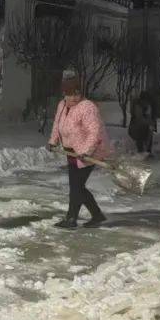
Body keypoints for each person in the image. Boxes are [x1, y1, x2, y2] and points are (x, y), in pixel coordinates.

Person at [48, 74, 111, 229]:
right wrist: (53, 141)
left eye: (77, 93)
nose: (75, 97)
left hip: (91, 151)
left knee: (76, 187)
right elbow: (57, 124)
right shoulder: (62, 105)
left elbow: (94, 132)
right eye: (71, 94)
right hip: (72, 152)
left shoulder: (87, 107)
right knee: (77, 186)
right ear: (64, 94)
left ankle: (71, 219)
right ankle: (97, 215)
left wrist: (87, 151)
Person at [128, 90, 157, 155]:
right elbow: (139, 118)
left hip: (144, 127)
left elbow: (150, 118)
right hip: (137, 127)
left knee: (148, 134)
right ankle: (142, 151)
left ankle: (147, 151)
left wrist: (152, 124)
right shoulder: (138, 106)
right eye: (146, 100)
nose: (147, 102)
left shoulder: (147, 106)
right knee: (142, 136)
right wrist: (149, 122)